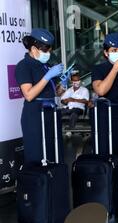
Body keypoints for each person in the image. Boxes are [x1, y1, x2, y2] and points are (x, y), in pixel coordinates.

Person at [15, 28, 65, 165]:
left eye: (49, 50)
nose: (48, 53)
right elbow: (29, 95)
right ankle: (39, 185)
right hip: (34, 116)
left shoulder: (46, 66)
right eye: (45, 50)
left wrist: (63, 85)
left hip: (51, 114)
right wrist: (48, 76)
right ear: (33, 48)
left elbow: (55, 92)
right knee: (37, 155)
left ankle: (55, 184)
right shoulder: (23, 66)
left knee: (54, 153)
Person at [91, 32, 118, 155]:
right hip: (106, 117)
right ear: (106, 53)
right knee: (106, 151)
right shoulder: (99, 69)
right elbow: (101, 90)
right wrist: (114, 69)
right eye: (114, 50)